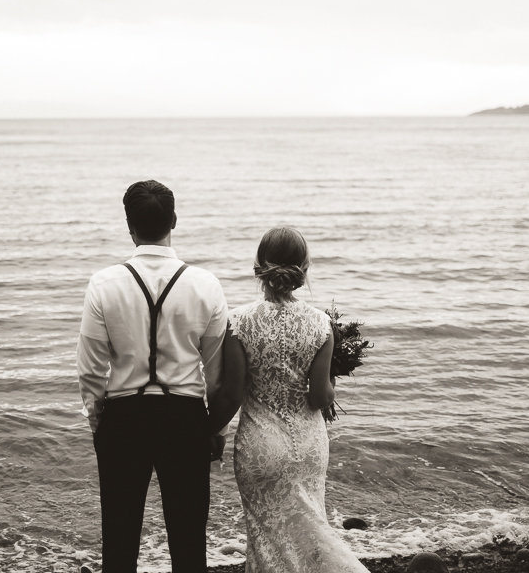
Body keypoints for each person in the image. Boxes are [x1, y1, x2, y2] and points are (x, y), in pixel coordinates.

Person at [77, 180, 229, 573]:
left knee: (120, 539)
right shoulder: (205, 285)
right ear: (173, 220)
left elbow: (91, 369)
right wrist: (212, 427)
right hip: (185, 418)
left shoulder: (104, 284)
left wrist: (98, 422)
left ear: (129, 225)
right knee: (189, 539)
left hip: (124, 419)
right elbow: (216, 374)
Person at [209, 227, 367, 573]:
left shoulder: (237, 321)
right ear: (304, 270)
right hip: (308, 447)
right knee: (310, 533)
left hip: (260, 446)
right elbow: (319, 398)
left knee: (267, 538)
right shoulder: (321, 324)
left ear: (258, 268)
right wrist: (332, 382)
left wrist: (208, 431)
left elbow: (232, 394)